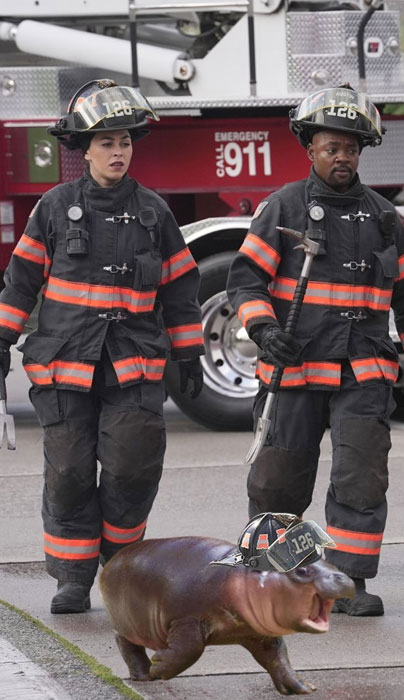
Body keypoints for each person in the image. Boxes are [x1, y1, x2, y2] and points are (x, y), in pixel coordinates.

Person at [227, 85, 404, 617]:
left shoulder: (383, 218)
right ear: (310, 149)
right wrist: (262, 329)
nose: (341, 157)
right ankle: (272, 579)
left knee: (361, 476)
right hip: (294, 369)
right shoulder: (282, 208)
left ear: (361, 151)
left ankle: (348, 581)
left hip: (363, 371)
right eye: (331, 148)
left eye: (350, 148)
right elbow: (245, 282)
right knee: (279, 478)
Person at [0, 79, 204, 614]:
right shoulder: (52, 207)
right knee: (68, 473)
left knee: (132, 468)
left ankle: (120, 567)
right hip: (65, 366)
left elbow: (182, 290)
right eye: (107, 142)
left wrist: (188, 354)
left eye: (125, 143)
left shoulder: (154, 212)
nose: (118, 152)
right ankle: (72, 578)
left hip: (133, 366)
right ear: (84, 149)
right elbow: (20, 281)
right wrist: (1, 339)